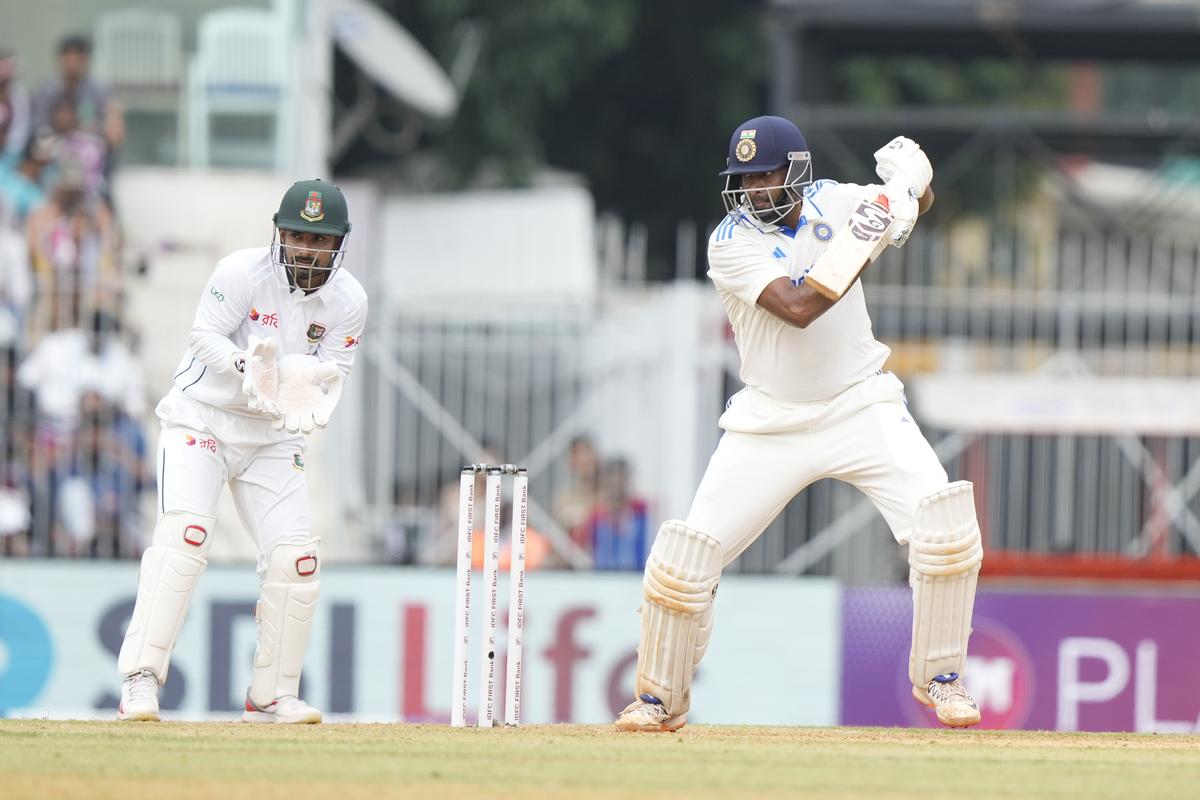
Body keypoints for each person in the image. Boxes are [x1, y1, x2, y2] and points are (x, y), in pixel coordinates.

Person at [615, 117, 983, 732]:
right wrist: (868, 236)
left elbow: (914, 202)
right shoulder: (730, 243)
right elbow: (799, 306)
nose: (755, 189)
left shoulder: (836, 201)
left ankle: (942, 679)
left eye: (766, 175)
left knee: (943, 527)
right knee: (684, 561)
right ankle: (659, 699)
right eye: (745, 179)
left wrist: (910, 186)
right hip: (771, 420)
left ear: (797, 172)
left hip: (860, 403)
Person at [116, 179, 368, 724]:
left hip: (271, 434)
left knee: (296, 560)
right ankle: (141, 679)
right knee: (185, 536)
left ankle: (271, 695)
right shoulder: (240, 272)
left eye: (320, 240)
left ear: (339, 244)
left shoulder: (349, 300)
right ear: (280, 234)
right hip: (202, 417)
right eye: (298, 236)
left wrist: (302, 389)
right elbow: (203, 335)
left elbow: (334, 371)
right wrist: (247, 366)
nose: (307, 250)